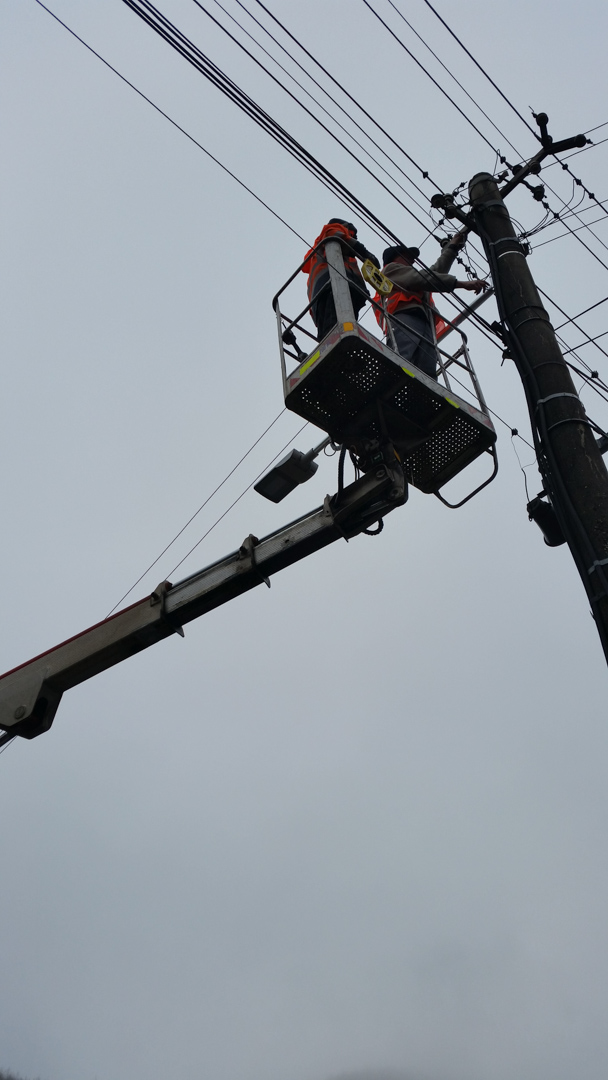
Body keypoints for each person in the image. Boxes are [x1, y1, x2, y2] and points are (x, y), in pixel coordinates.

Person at [375, 230, 488, 378]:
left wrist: (452, 247)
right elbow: (424, 278)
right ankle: (392, 381)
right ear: (395, 258)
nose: (413, 261)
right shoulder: (390, 270)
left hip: (424, 322)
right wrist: (461, 284)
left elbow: (435, 274)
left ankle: (420, 387)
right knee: (401, 358)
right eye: (408, 257)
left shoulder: (413, 280)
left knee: (427, 369)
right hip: (403, 317)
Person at [302, 219, 379, 342]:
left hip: (323, 295)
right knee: (335, 330)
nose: (354, 238)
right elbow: (334, 234)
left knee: (332, 331)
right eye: (352, 234)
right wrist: (364, 252)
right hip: (333, 287)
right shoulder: (332, 231)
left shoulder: (318, 255)